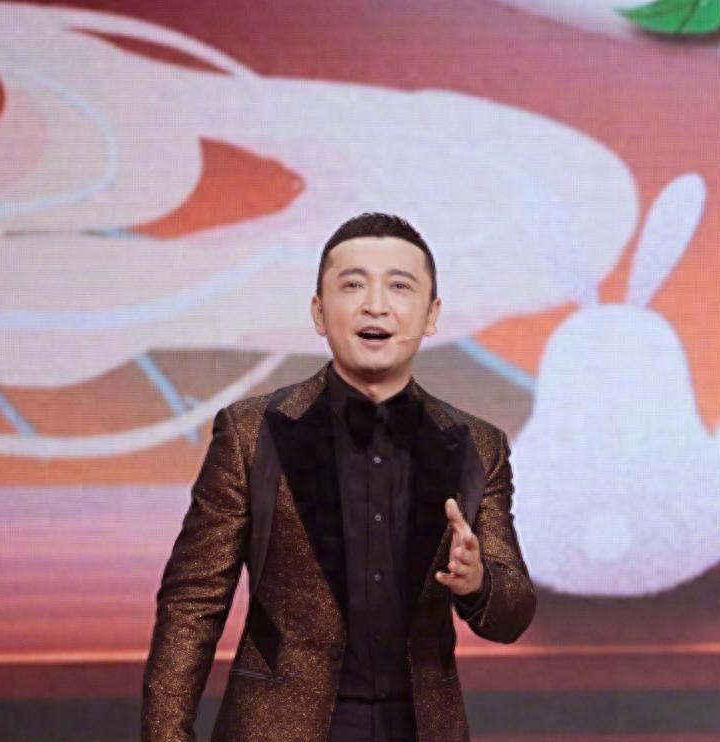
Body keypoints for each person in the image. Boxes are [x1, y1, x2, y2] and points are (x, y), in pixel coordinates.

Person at [142, 212, 536, 742]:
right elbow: (192, 603)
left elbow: (513, 614)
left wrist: (479, 582)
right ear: (319, 312)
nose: (376, 304)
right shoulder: (250, 433)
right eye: (353, 285)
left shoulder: (477, 446)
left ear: (431, 314)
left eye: (399, 286)